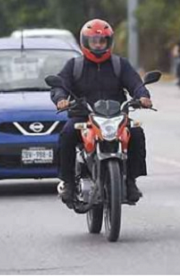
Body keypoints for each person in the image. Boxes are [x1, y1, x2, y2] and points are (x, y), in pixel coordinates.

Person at [50, 18, 153, 206]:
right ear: (85, 42)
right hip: (83, 116)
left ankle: (131, 182)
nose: (98, 45)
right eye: (94, 41)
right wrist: (61, 99)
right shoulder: (74, 66)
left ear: (109, 42)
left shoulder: (119, 64)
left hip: (116, 116)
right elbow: (60, 86)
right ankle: (69, 183)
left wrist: (143, 96)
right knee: (66, 133)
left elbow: (136, 84)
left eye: (102, 41)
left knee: (136, 133)